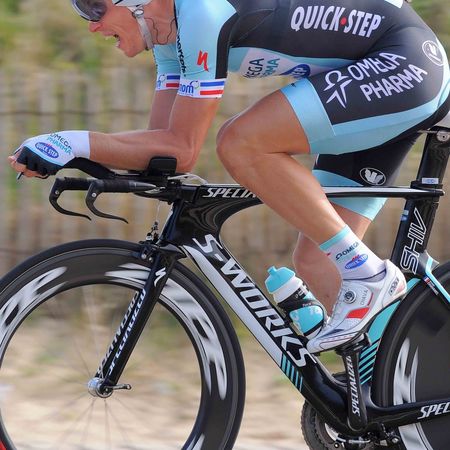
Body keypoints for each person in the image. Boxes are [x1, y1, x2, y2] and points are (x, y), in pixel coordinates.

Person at [8, 0, 450, 353]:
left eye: (94, 6)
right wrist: (73, 155)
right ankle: (394, 397)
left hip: (402, 62)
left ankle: (366, 273)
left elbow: (183, 148)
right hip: (375, 70)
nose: (91, 25)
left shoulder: (201, 12)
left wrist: (74, 142)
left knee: (241, 142)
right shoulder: (170, 37)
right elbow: (161, 150)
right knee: (317, 262)